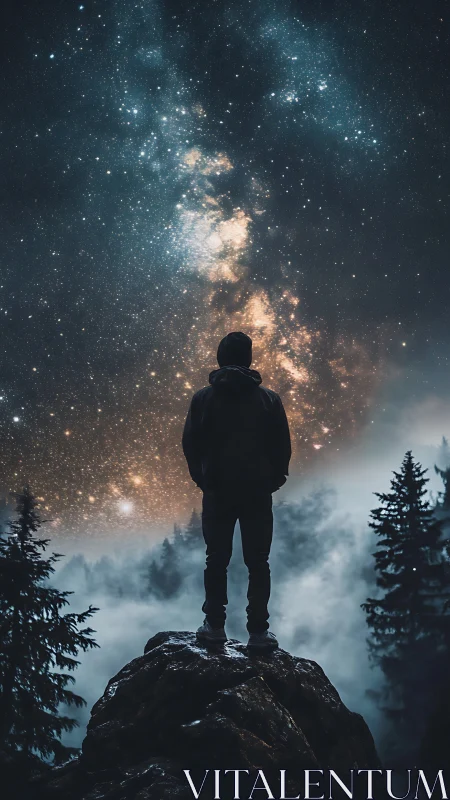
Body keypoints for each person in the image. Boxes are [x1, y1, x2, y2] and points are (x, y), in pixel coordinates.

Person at [182, 331, 291, 650]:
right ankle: (258, 632)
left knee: (216, 558)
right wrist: (275, 479)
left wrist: (203, 479)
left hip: (217, 491)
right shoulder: (269, 398)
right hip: (257, 491)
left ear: (220, 357)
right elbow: (281, 446)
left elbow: (190, 443)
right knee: (258, 561)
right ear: (248, 358)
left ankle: (214, 626)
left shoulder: (203, 397)